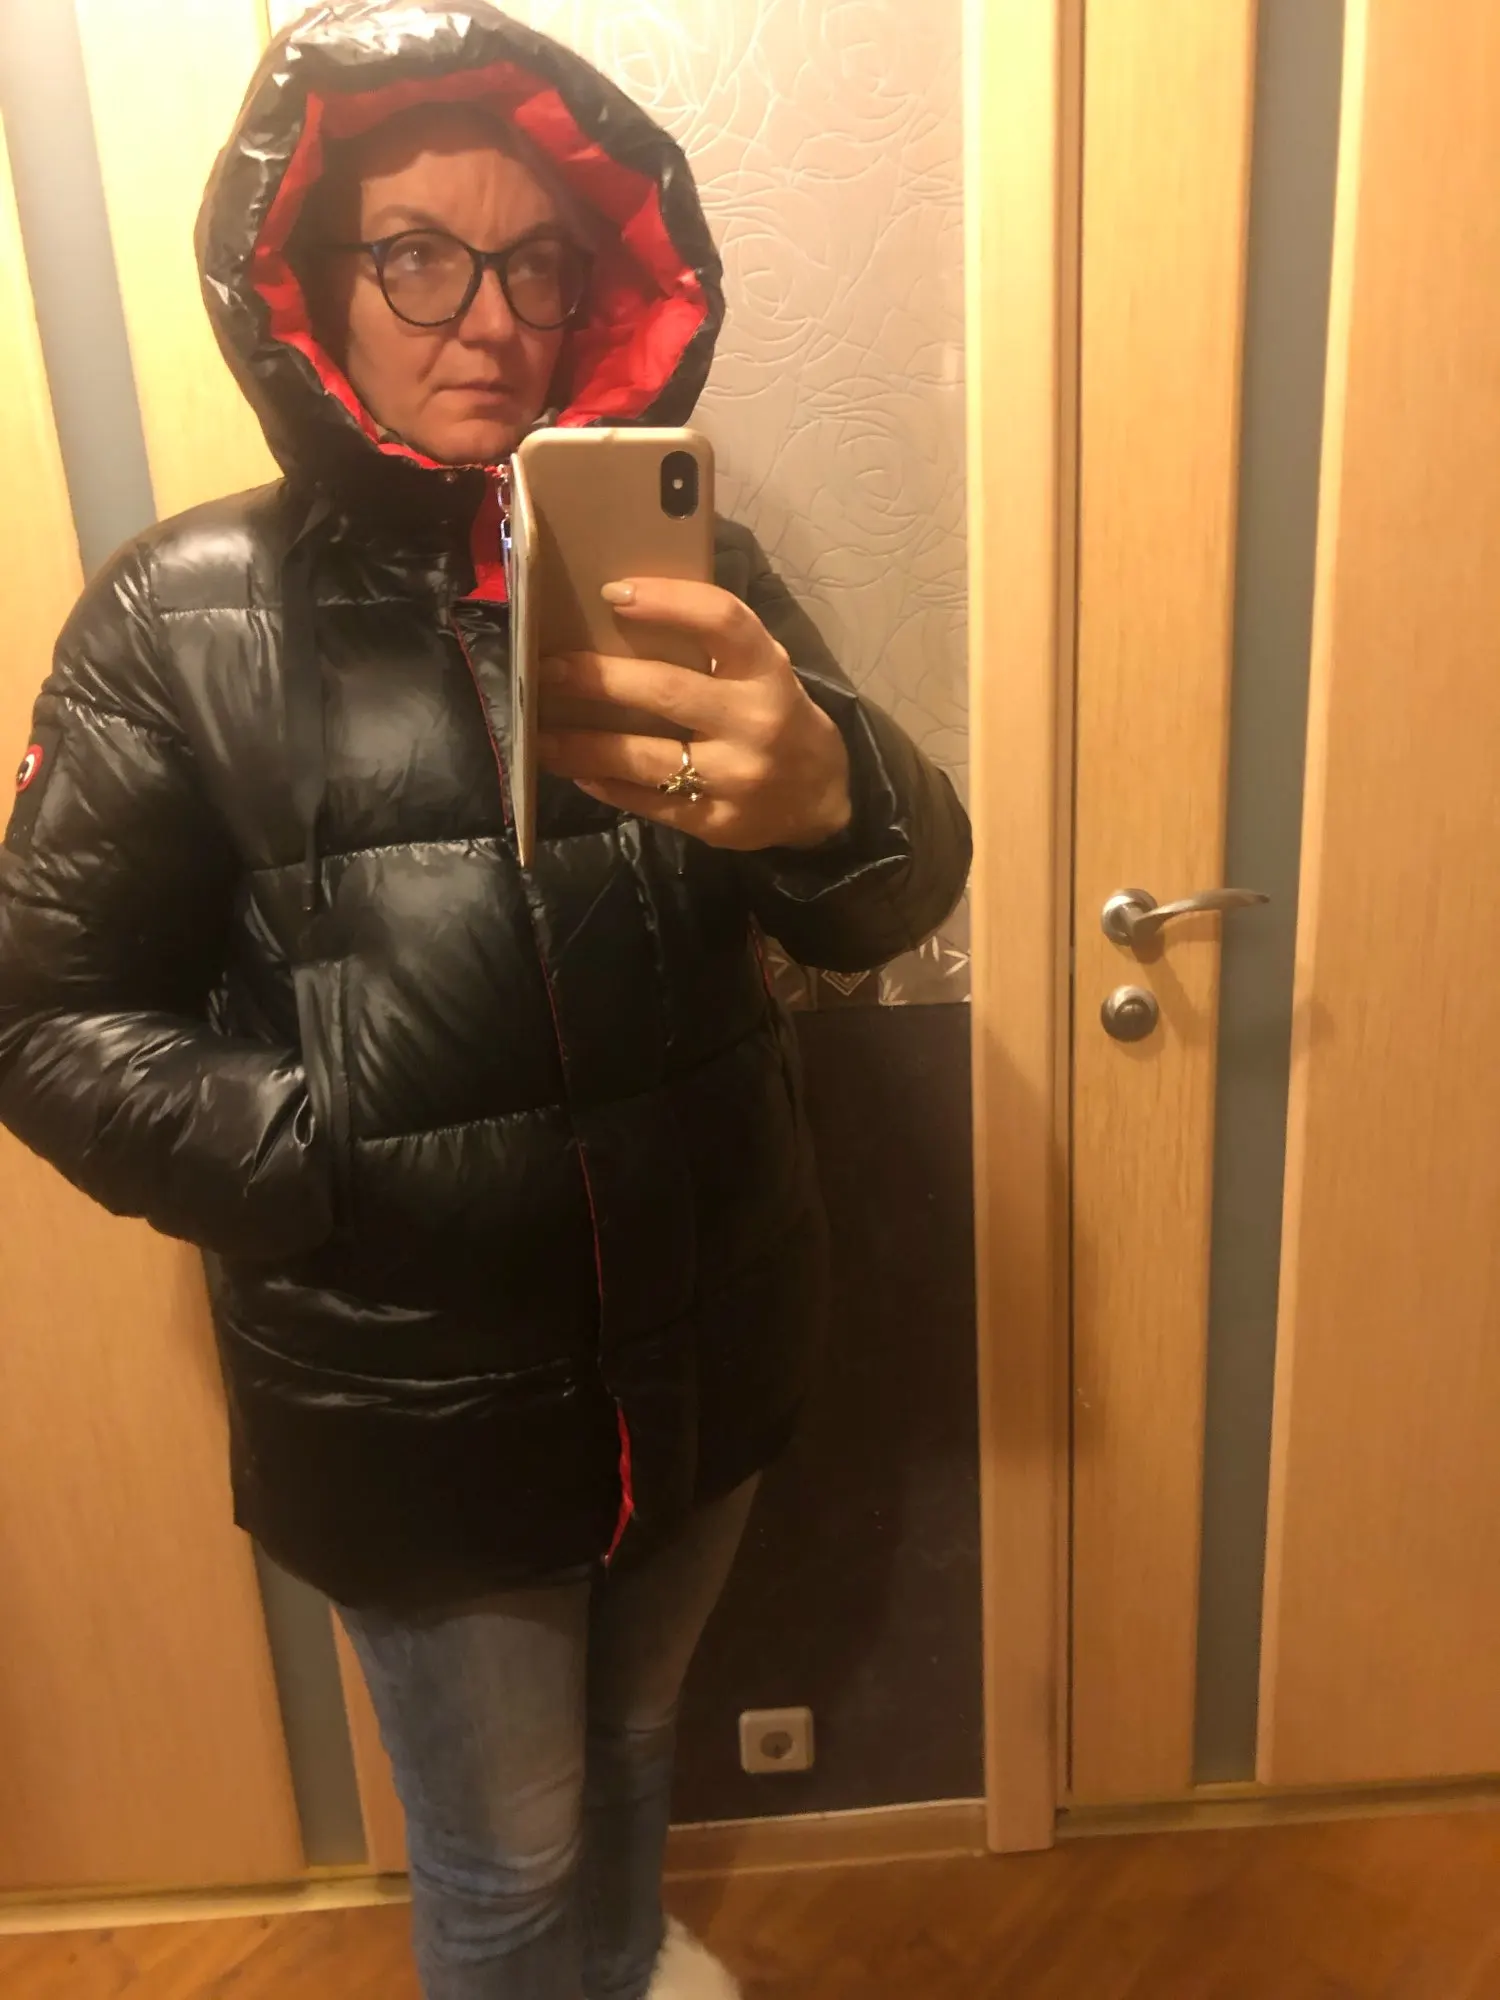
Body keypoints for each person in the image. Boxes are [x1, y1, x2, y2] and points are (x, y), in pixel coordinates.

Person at [0, 4, 970, 1996]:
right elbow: (43, 1015)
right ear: (305, 282)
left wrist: (836, 797)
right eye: (421, 257)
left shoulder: (694, 568)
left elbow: (894, 897)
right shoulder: (179, 621)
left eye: (540, 263)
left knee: (636, 1752)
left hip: (703, 1331)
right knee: (504, 1865)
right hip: (409, 1392)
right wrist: (326, 1148)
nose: (496, 321)